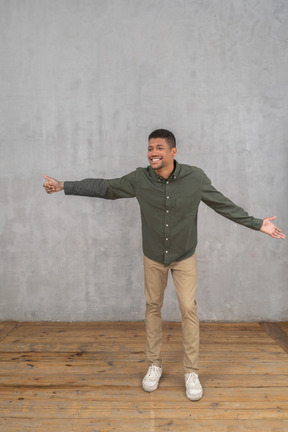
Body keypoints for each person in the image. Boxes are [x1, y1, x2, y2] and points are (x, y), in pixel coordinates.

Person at [43, 128, 285, 401]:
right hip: (154, 257)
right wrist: (64, 185)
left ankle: (191, 372)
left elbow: (222, 204)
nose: (153, 153)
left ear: (173, 152)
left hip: (184, 256)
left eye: (158, 148)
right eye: (149, 148)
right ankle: (154, 365)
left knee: (188, 309)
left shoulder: (195, 178)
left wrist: (257, 223)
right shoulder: (139, 179)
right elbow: (105, 187)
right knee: (152, 308)